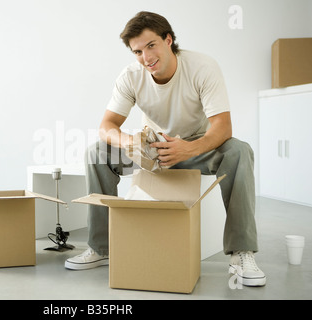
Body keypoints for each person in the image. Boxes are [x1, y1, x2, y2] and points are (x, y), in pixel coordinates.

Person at [64, 11, 266, 287]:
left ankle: (241, 251)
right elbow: (106, 126)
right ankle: (101, 248)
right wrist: (129, 141)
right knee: (96, 152)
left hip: (197, 148)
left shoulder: (202, 67)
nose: (146, 57)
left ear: (168, 40)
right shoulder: (131, 76)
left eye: (151, 46)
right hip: (153, 150)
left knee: (239, 151)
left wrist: (190, 149)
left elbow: (222, 127)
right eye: (137, 51)